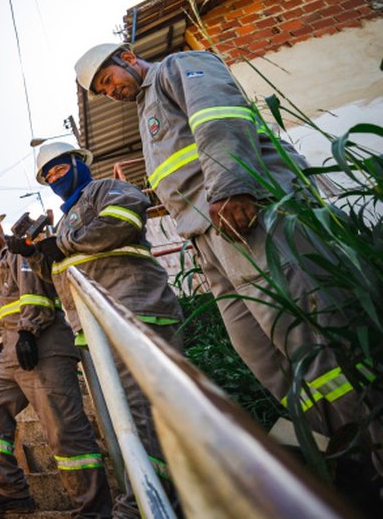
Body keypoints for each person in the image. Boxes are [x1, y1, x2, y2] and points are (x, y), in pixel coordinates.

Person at [73, 43, 380, 466]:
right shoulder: (147, 112)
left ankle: (369, 441)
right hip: (209, 240)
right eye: (104, 91)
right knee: (260, 351)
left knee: (306, 335)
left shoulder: (177, 67)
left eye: (109, 80)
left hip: (246, 215)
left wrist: (232, 187)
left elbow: (219, 116)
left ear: (127, 57)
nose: (112, 92)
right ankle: (333, 450)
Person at [30, 141, 185, 517]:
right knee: (124, 420)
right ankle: (150, 500)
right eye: (48, 176)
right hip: (96, 331)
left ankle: (145, 505)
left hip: (134, 312)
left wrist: (62, 242)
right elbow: (61, 273)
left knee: (143, 413)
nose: (55, 178)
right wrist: (37, 254)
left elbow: (122, 221)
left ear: (79, 162)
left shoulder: (105, 190)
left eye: (59, 169)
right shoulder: (65, 220)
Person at [0, 207, 111, 517]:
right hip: (11, 351)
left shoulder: (21, 249)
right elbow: (8, 297)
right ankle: (12, 491)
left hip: (42, 343)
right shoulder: (3, 259)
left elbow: (35, 295)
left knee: (63, 429)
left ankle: (92, 508)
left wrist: (29, 331)